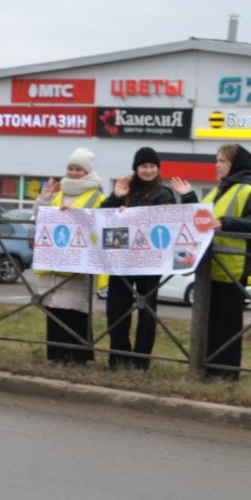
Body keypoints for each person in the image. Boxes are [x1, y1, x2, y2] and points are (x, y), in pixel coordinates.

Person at [171, 144, 251, 380]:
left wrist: (224, 222)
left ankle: (226, 375)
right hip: (212, 268)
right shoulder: (218, 191)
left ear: (235, 165)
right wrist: (188, 197)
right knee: (211, 324)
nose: (217, 165)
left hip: (233, 268)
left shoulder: (247, 191)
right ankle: (209, 369)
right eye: (216, 161)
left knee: (227, 326)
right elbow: (202, 219)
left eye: (222, 161)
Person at [99, 145, 176, 369]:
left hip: (149, 261)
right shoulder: (125, 189)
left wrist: (132, 214)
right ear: (136, 168)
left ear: (158, 168)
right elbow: (102, 214)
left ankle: (141, 362)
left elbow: (167, 220)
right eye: (143, 166)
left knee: (147, 312)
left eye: (152, 166)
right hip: (121, 259)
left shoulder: (164, 193)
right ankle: (119, 359)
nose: (148, 170)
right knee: (116, 310)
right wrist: (116, 198)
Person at [35, 147, 105, 363]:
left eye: (79, 169)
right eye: (71, 168)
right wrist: (44, 200)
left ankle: (77, 357)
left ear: (87, 172)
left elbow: (101, 222)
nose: (74, 173)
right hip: (53, 263)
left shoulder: (96, 194)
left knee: (75, 312)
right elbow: (40, 220)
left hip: (77, 266)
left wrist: (75, 216)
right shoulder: (59, 193)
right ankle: (56, 356)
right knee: (54, 311)